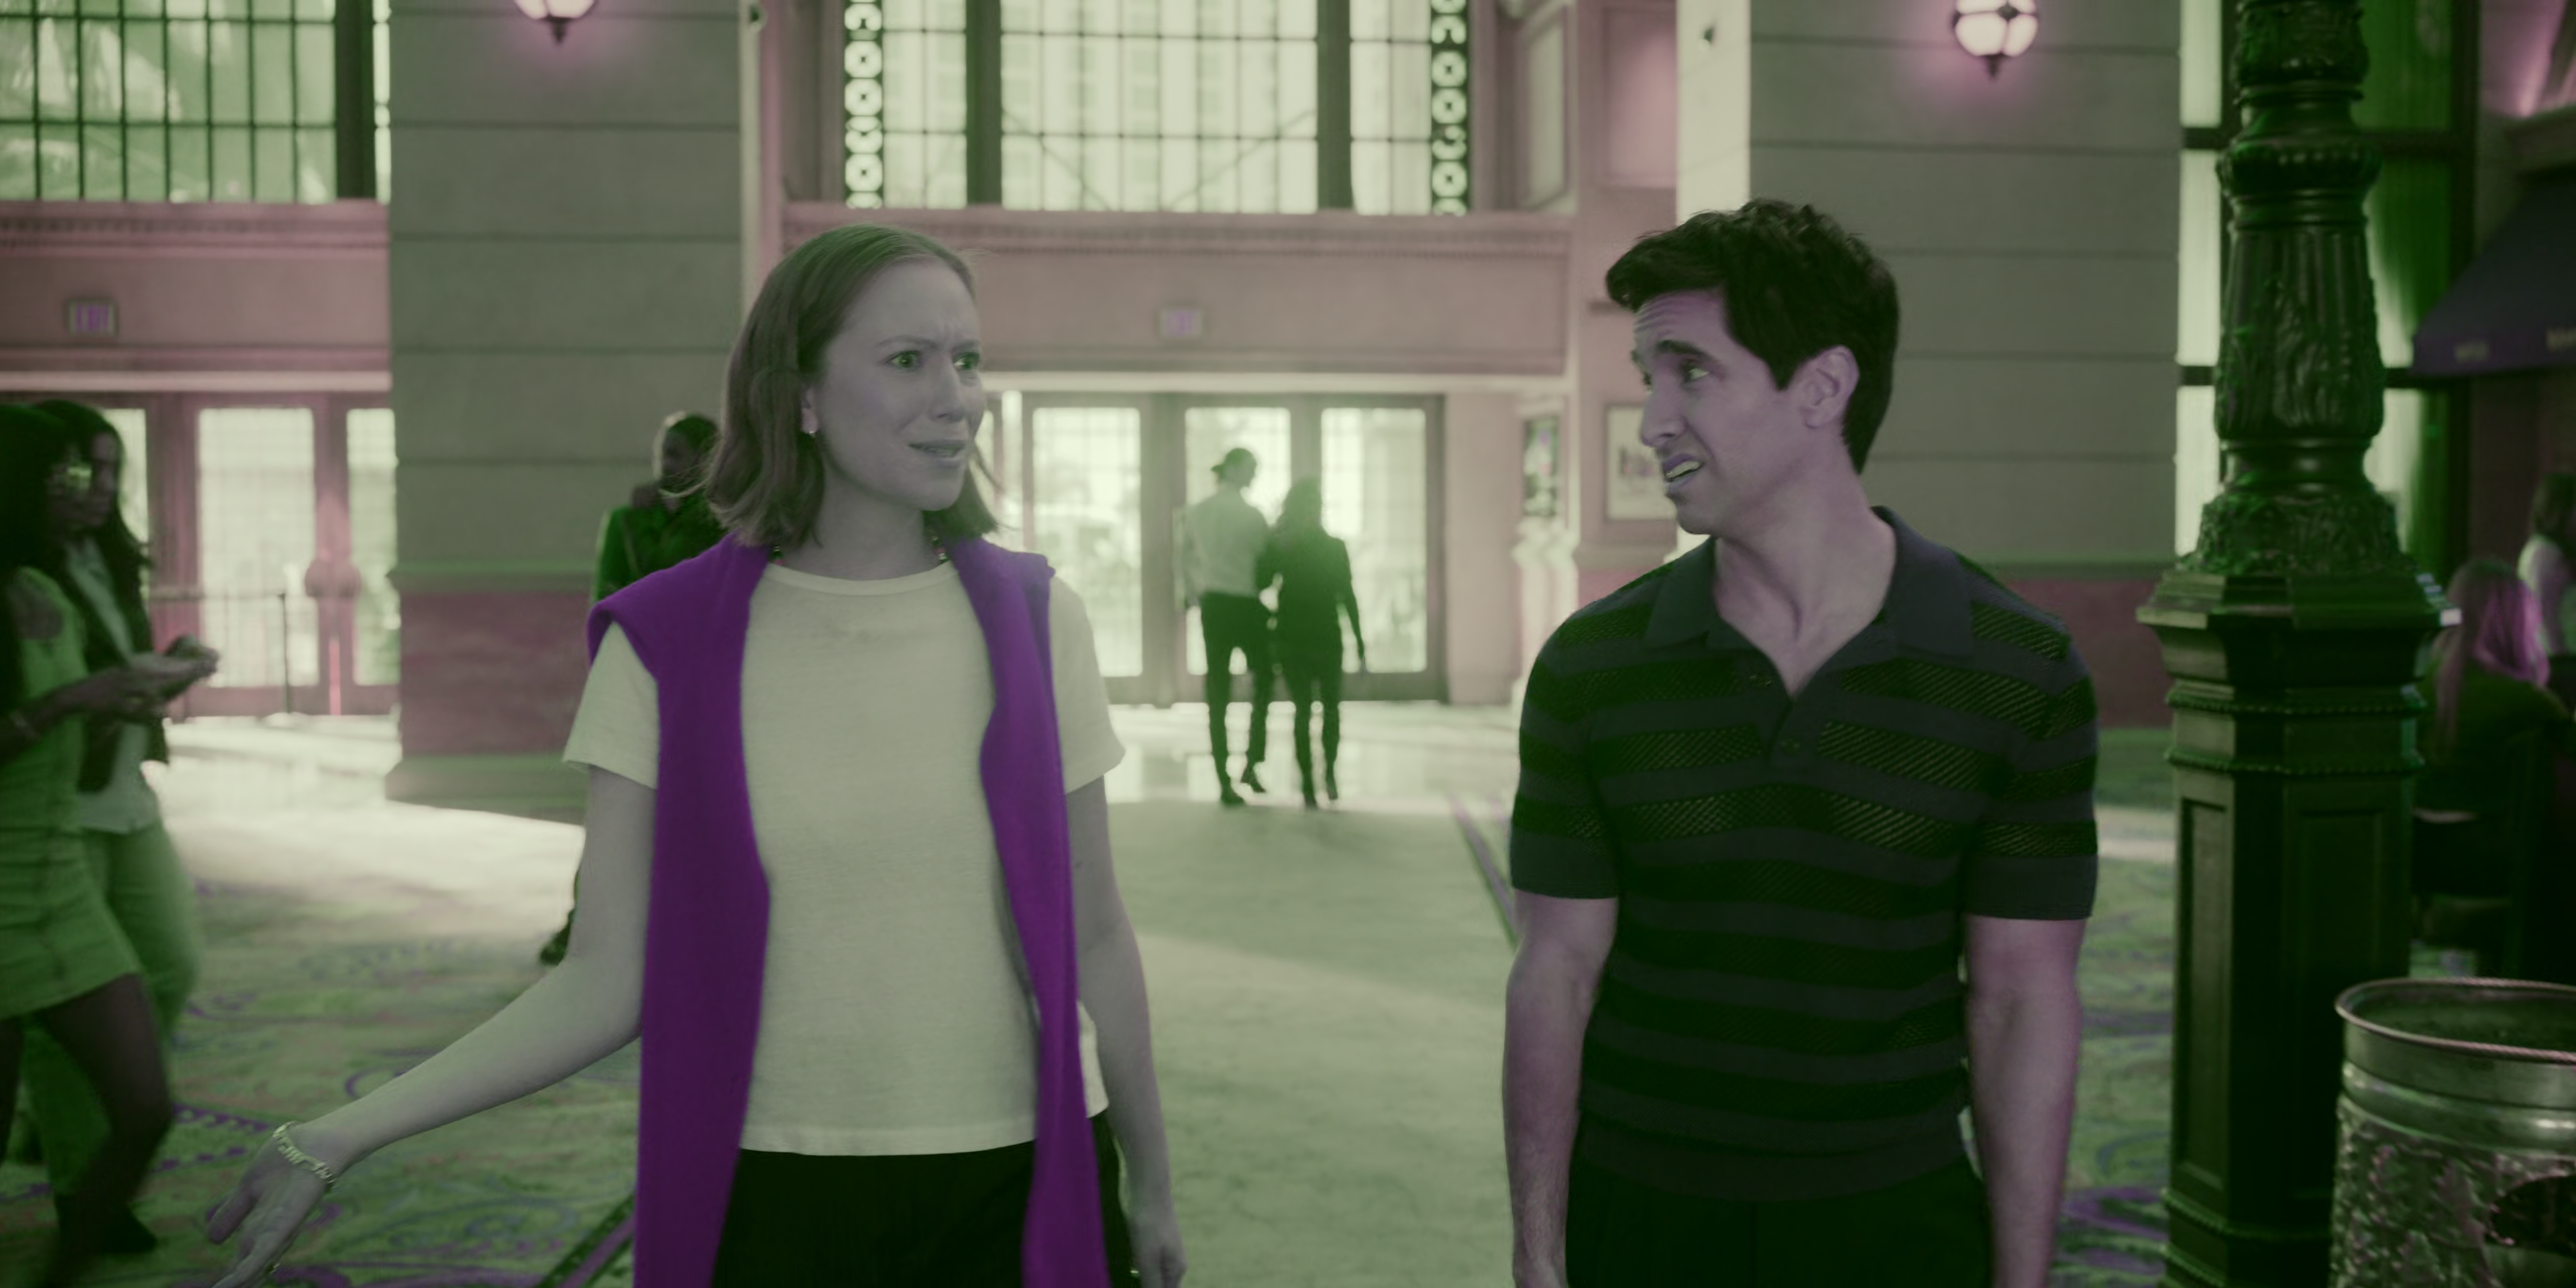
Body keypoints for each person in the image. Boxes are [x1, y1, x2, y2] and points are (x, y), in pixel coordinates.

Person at [205, 225, 1185, 1288]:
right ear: (800, 397)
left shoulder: (1036, 619)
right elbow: (606, 976)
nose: (958, 398)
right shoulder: (663, 645)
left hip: (1023, 1175)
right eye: (908, 360)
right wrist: (343, 1132)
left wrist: (1152, 1186)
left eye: (968, 359)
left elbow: (1096, 933)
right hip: (775, 1191)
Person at [1502, 200, 2098, 1288]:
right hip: (1642, 1218)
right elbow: (1557, 972)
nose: (1651, 422)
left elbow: (2021, 1001)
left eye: (1692, 372)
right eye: (1648, 377)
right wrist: (1539, 1260)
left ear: (1823, 388)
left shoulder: (2018, 669)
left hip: (1896, 1225)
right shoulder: (1592, 669)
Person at [0, 404, 213, 1287]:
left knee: (147, 1094)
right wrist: (76, 699)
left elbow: (76, 710)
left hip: (64, 858)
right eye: (63, 475)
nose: (83, 492)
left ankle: (65, 1258)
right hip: (10, 872)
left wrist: (134, 691)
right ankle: (66, 1190)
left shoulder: (48, 589)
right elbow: (47, 713)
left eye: (91, 474)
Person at [539, 412, 729, 965]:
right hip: (635, 680)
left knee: (696, 816)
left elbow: (713, 604)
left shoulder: (723, 524)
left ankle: (689, 930)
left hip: (699, 690)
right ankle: (584, 927)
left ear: (707, 461)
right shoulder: (626, 521)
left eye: (679, 453)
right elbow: (607, 599)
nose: (665, 463)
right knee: (616, 812)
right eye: (662, 451)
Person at [2414, 559, 2573, 961]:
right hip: (2494, 864)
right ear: (2517, 622)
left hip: (2417, 855)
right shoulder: (2530, 704)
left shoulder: (2417, 691)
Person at [1254, 479, 1366, 809]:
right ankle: (1329, 775)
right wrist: (1360, 640)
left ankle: (1307, 783)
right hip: (1327, 635)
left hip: (1291, 637)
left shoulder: (1284, 546)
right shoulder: (1335, 547)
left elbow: (1261, 582)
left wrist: (1272, 545)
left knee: (1302, 710)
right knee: (1331, 709)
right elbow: (1347, 596)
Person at [1179, 446, 1275, 806]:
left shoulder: (1197, 512)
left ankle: (1223, 778)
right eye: (1252, 468)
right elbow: (1265, 565)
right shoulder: (1254, 516)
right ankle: (1252, 761)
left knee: (1217, 690)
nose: (1255, 475)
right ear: (1234, 469)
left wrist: (1192, 595)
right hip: (1247, 604)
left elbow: (1185, 560)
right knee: (1263, 681)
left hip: (1214, 605)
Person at [592, 411, 727, 602]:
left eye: (675, 456)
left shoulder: (712, 520)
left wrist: (638, 519)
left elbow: (662, 572)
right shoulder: (622, 519)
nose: (665, 465)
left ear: (703, 461)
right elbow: (604, 596)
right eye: (661, 455)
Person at [2520, 473, 2576, 708]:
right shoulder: (2543, 554)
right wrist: (2558, 663)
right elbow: (2543, 614)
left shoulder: (2555, 551)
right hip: (2558, 663)